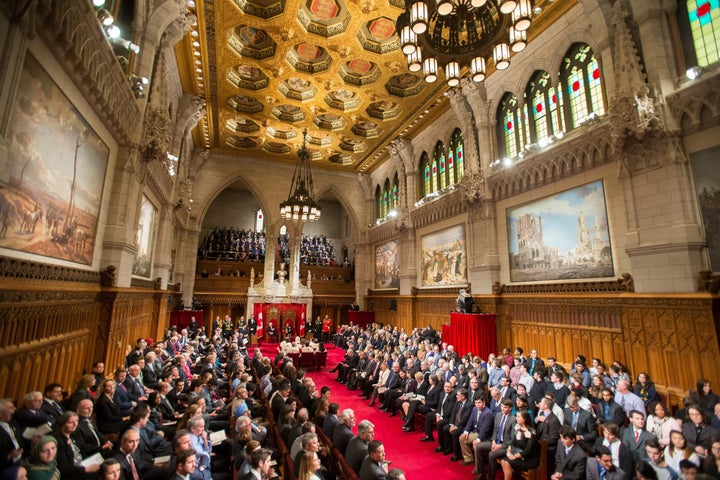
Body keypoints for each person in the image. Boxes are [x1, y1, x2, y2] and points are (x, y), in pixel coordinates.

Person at [53, 412, 100, 479]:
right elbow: (64, 468)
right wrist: (86, 469)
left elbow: (84, 447)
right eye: (71, 422)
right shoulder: (58, 442)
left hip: (82, 464)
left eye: (76, 421)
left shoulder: (73, 435)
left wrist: (102, 447)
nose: (75, 424)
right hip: (73, 474)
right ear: (62, 424)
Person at [499, 410, 539, 480]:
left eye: (518, 417)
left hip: (528, 459)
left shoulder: (531, 433)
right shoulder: (517, 428)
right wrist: (509, 452)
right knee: (503, 461)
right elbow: (512, 443)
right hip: (519, 455)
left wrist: (514, 456)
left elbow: (527, 451)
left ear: (524, 419)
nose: (516, 418)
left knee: (507, 462)